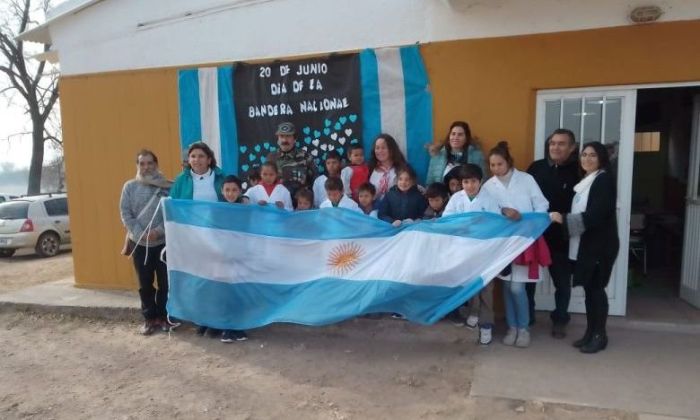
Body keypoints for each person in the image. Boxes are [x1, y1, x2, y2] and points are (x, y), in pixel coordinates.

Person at [549, 142, 619, 354]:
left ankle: (600, 335)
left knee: (596, 290)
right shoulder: (587, 181)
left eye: (593, 156)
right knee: (590, 290)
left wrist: (563, 220)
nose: (587, 159)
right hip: (587, 244)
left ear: (601, 159)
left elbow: (596, 215)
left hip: (599, 245)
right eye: (584, 155)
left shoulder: (603, 180)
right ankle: (590, 332)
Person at [482, 141, 549, 348]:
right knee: (506, 286)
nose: (495, 169)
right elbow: (486, 211)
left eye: (499, 164)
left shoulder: (526, 179)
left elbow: (542, 204)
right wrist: (503, 211)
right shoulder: (488, 186)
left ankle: (523, 328)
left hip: (525, 239)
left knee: (518, 288)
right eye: (492, 165)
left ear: (509, 162)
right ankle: (512, 327)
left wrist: (528, 220)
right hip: (503, 242)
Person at [443, 163, 519, 345]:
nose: (470, 185)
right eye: (466, 182)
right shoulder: (456, 199)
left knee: (486, 288)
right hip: (463, 252)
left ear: (481, 181)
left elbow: (495, 223)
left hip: (485, 253)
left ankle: (486, 326)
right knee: (470, 286)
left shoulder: (489, 199)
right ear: (461, 183)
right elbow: (446, 221)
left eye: (474, 181)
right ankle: (473, 312)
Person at [527, 128, 580, 337]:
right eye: (553, 143)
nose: (555, 147)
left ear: (572, 147)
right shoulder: (536, 168)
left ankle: (560, 319)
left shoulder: (579, 171)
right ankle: (527, 315)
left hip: (562, 236)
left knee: (562, 283)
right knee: (528, 281)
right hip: (536, 235)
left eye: (562, 143)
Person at [170, 142, 226, 337]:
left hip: (217, 238)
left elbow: (231, 199)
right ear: (188, 160)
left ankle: (218, 320)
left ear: (209, 159)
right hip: (193, 239)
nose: (197, 160)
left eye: (201, 156)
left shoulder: (220, 178)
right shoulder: (181, 181)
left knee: (217, 279)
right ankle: (203, 319)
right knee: (199, 280)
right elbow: (173, 207)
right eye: (193, 156)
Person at [119, 149, 173, 335]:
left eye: (150, 163)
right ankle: (150, 319)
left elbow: (173, 214)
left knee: (165, 283)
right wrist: (141, 234)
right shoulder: (130, 187)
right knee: (145, 283)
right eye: (142, 163)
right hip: (139, 244)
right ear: (137, 166)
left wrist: (159, 231)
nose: (146, 167)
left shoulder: (167, 187)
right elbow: (126, 213)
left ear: (156, 164)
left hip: (163, 243)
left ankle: (165, 317)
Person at [219, 175, 249, 343]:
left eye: (234, 190)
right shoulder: (218, 210)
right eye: (227, 190)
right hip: (223, 257)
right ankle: (226, 328)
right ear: (222, 191)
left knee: (239, 291)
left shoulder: (245, 207)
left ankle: (239, 327)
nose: (231, 193)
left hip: (241, 255)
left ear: (240, 191)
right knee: (226, 292)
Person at [266, 121, 317, 198]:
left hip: (301, 205)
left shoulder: (305, 157)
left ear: (295, 138)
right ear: (278, 139)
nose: (284, 140)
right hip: (278, 204)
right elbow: (266, 182)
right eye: (281, 136)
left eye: (288, 136)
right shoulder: (271, 158)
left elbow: (315, 182)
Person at [368, 134, 408, 201]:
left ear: (391, 150)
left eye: (383, 148)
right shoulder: (370, 168)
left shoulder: (402, 169)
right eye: (377, 148)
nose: (380, 151)